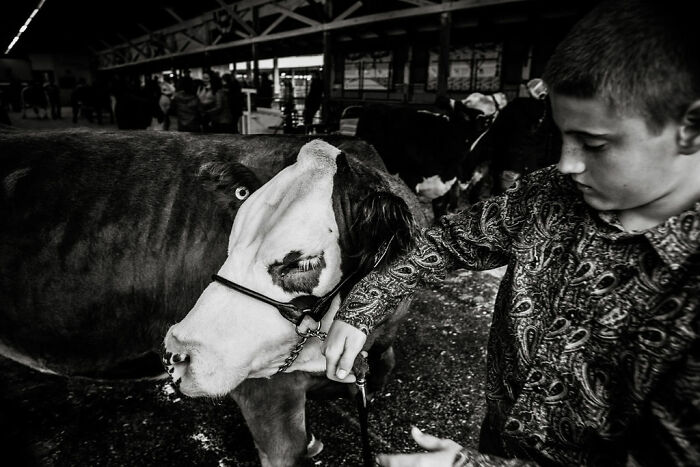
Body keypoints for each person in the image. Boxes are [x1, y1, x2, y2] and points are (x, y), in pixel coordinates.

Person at [322, 1, 700, 465]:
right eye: (563, 135)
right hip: (498, 431)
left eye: (596, 144)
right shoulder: (547, 196)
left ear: (690, 129)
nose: (566, 163)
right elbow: (443, 243)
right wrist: (366, 303)